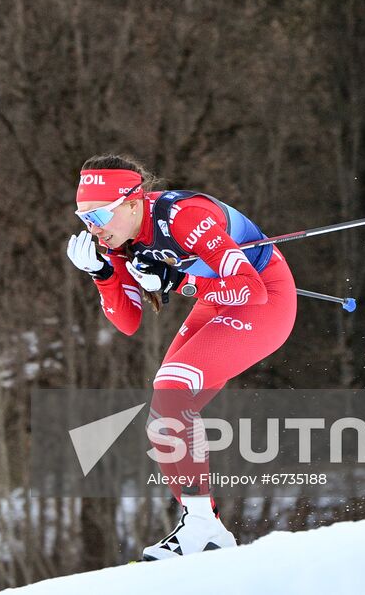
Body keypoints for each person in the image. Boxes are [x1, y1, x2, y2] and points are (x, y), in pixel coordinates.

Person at [65, 153, 298, 561]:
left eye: (99, 215)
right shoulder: (120, 239)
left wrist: (179, 281)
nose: (93, 228)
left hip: (266, 298)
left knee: (172, 387)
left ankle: (202, 529)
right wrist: (101, 275)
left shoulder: (184, 217)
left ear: (134, 202)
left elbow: (251, 289)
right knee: (162, 414)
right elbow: (129, 321)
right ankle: (203, 528)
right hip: (217, 301)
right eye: (84, 218)